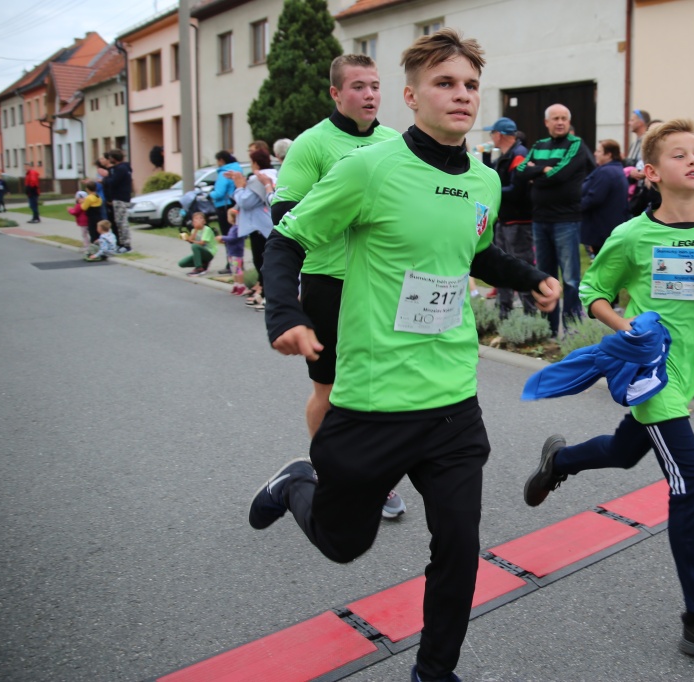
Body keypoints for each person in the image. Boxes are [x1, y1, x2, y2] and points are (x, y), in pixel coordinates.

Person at [251, 29, 561, 682]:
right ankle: (297, 482)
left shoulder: (484, 178)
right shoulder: (371, 168)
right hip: (374, 400)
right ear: (412, 96)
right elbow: (287, 239)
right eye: (445, 83)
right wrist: (286, 313)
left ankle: (433, 672)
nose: (461, 95)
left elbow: (473, 252)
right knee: (344, 545)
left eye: (470, 84)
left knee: (459, 547)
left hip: (452, 400)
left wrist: (529, 277)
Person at [523, 119, 694, 663]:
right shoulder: (632, 235)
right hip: (653, 374)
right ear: (652, 172)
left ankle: (560, 461)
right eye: (680, 155)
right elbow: (594, 290)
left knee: (624, 449)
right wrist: (625, 326)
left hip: (691, 371)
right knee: (693, 479)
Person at [268, 53, 407, 518]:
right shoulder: (312, 144)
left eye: (375, 86)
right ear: (335, 93)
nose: (369, 95)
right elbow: (283, 215)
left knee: (382, 386)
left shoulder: (394, 142)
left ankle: (376, 479)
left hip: (381, 284)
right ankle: (328, 470)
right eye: (358, 86)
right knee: (329, 390)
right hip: (328, 281)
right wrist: (347, 211)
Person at [515, 103, 596, 336]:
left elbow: (561, 175)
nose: (560, 122)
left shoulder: (576, 144)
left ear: (568, 122)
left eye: (564, 118)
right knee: (544, 277)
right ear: (546, 122)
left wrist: (537, 171)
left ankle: (571, 331)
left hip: (566, 220)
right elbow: (519, 172)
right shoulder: (539, 145)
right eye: (555, 118)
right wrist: (545, 170)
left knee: (570, 279)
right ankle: (548, 330)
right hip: (540, 219)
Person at [482, 116, 536, 318]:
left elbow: (517, 190)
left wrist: (493, 191)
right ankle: (504, 310)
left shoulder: (519, 155)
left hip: (518, 221)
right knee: (501, 266)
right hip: (505, 219)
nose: (491, 137)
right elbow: (491, 176)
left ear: (499, 135)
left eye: (492, 133)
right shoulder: (507, 155)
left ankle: (531, 315)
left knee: (521, 266)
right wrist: (486, 156)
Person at [228, 149, 276, 304]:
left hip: (260, 227)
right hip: (267, 224)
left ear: (255, 163)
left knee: (261, 261)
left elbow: (246, 201)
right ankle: (262, 292)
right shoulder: (272, 175)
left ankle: (266, 295)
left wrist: (239, 187)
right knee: (265, 261)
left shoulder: (259, 179)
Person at [580, 138, 630, 257]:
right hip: (610, 226)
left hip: (602, 229)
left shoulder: (606, 172)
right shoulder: (616, 169)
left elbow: (594, 198)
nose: (595, 154)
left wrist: (574, 207)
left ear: (608, 155)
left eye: (599, 151)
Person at [211, 150, 243, 275]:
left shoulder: (224, 172)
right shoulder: (238, 169)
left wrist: (210, 194)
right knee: (237, 235)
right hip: (235, 204)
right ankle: (239, 264)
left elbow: (219, 193)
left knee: (228, 236)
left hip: (224, 206)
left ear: (221, 160)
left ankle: (230, 265)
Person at [103, 149, 133, 252]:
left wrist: (105, 178)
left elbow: (113, 182)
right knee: (119, 221)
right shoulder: (125, 167)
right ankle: (122, 243)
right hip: (123, 197)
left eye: (110, 158)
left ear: (113, 158)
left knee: (121, 222)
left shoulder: (120, 169)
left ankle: (126, 245)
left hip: (120, 197)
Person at [217, 211, 248, 296]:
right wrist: (224, 240)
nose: (227, 218)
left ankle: (241, 286)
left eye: (228, 216)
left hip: (236, 252)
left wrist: (222, 237)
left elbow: (233, 238)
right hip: (231, 251)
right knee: (233, 270)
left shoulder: (237, 228)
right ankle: (236, 284)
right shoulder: (233, 228)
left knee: (237, 269)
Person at [178, 212, 218, 276]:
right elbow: (191, 240)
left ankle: (199, 268)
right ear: (193, 222)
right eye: (196, 219)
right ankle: (203, 264)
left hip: (209, 252)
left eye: (200, 218)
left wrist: (191, 240)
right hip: (200, 253)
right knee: (181, 263)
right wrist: (196, 229)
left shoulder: (206, 229)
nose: (198, 220)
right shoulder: (193, 230)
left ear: (204, 221)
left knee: (195, 246)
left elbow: (202, 243)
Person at [81, 179, 104, 245]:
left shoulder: (89, 198)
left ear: (87, 189)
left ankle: (94, 245)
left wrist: (82, 202)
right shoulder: (98, 196)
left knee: (93, 232)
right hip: (99, 216)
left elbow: (84, 207)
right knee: (99, 232)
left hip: (92, 217)